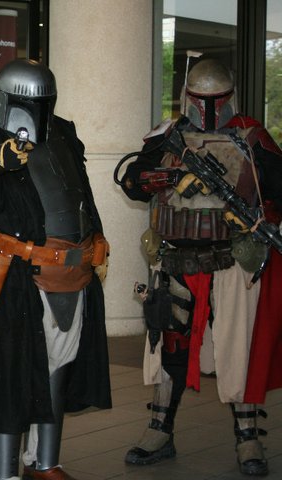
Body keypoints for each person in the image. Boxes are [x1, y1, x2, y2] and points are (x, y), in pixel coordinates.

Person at [116, 58, 282, 476]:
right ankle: (159, 430)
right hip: (175, 259)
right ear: (189, 97)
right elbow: (134, 181)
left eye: (216, 101)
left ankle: (248, 438)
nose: (209, 109)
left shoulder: (251, 137)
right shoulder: (167, 136)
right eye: (202, 100)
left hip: (231, 262)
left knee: (237, 350)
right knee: (169, 347)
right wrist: (160, 179)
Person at [0, 59, 112, 480]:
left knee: (59, 367)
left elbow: (79, 192)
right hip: (15, 277)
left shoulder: (63, 134)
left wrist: (96, 239)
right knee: (8, 375)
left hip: (71, 272)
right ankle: (2, 470)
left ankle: (44, 462)